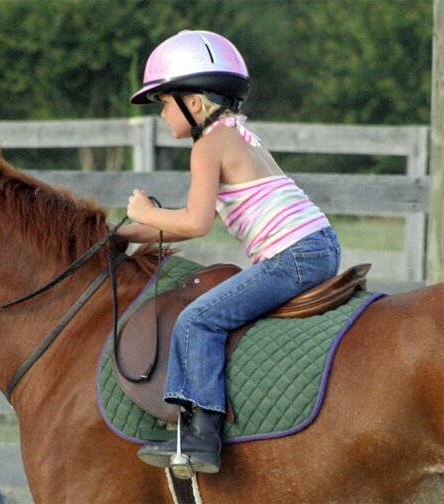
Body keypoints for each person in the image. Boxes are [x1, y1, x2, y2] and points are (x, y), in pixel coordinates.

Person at [119, 30, 341, 474]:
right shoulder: (235, 136)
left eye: (165, 103)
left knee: (199, 318)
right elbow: (190, 223)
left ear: (193, 104)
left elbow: (195, 222)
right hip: (317, 245)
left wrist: (144, 209)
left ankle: (201, 438)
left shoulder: (208, 146)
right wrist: (123, 232)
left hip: (293, 255)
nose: (163, 115)